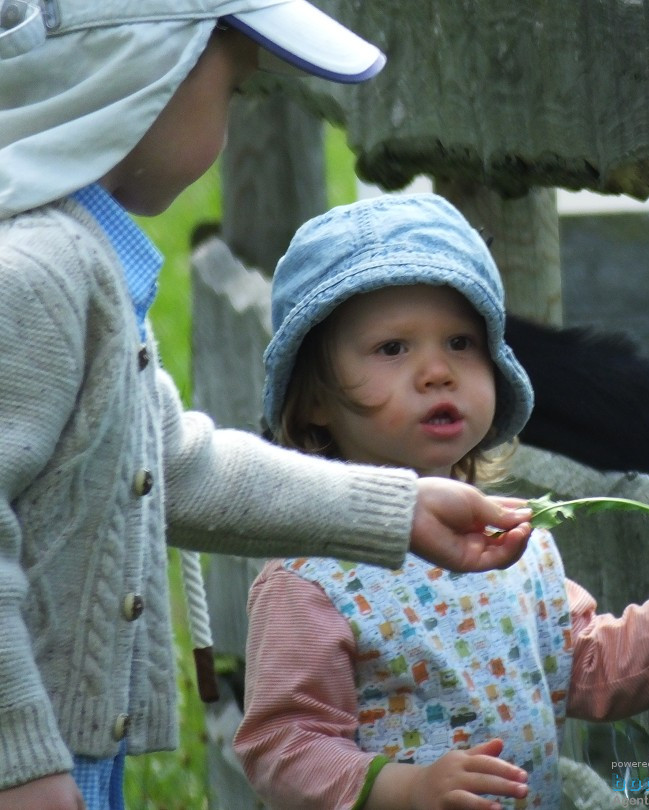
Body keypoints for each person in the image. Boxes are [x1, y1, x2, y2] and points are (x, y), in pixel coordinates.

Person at [0, 4, 532, 809]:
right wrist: (21, 761)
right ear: (144, 72)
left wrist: (402, 508)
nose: (229, 117)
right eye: (233, 90)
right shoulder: (38, 274)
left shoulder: (78, 258)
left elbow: (176, 464)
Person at [234, 193, 649, 810]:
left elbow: (593, 670)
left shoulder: (517, 546)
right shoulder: (312, 579)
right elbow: (283, 744)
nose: (437, 370)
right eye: (392, 348)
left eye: (461, 343)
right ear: (314, 400)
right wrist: (403, 789)